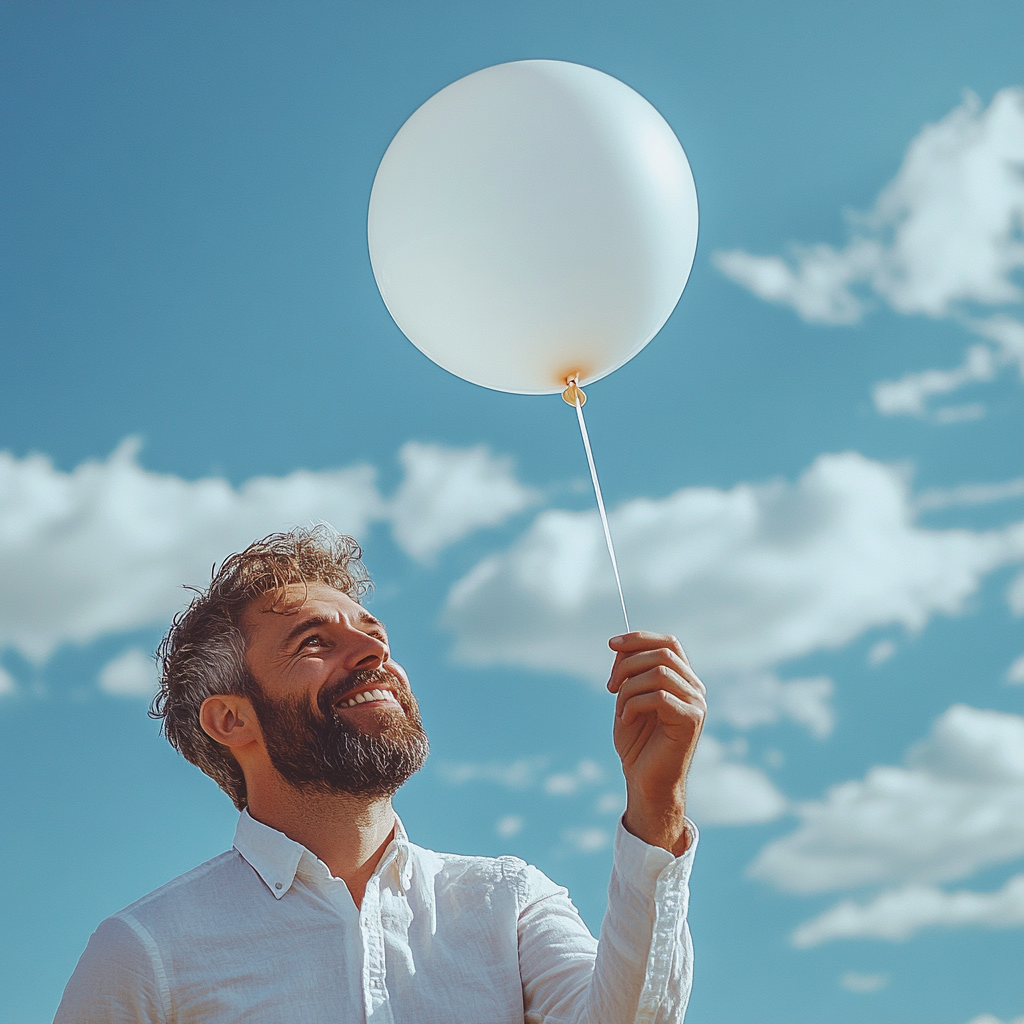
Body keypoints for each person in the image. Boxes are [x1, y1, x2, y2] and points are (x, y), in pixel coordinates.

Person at [55, 526, 706, 1023]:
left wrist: (657, 800)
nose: (375, 653)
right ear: (231, 720)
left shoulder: (507, 902)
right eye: (315, 642)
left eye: (375, 636)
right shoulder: (143, 951)